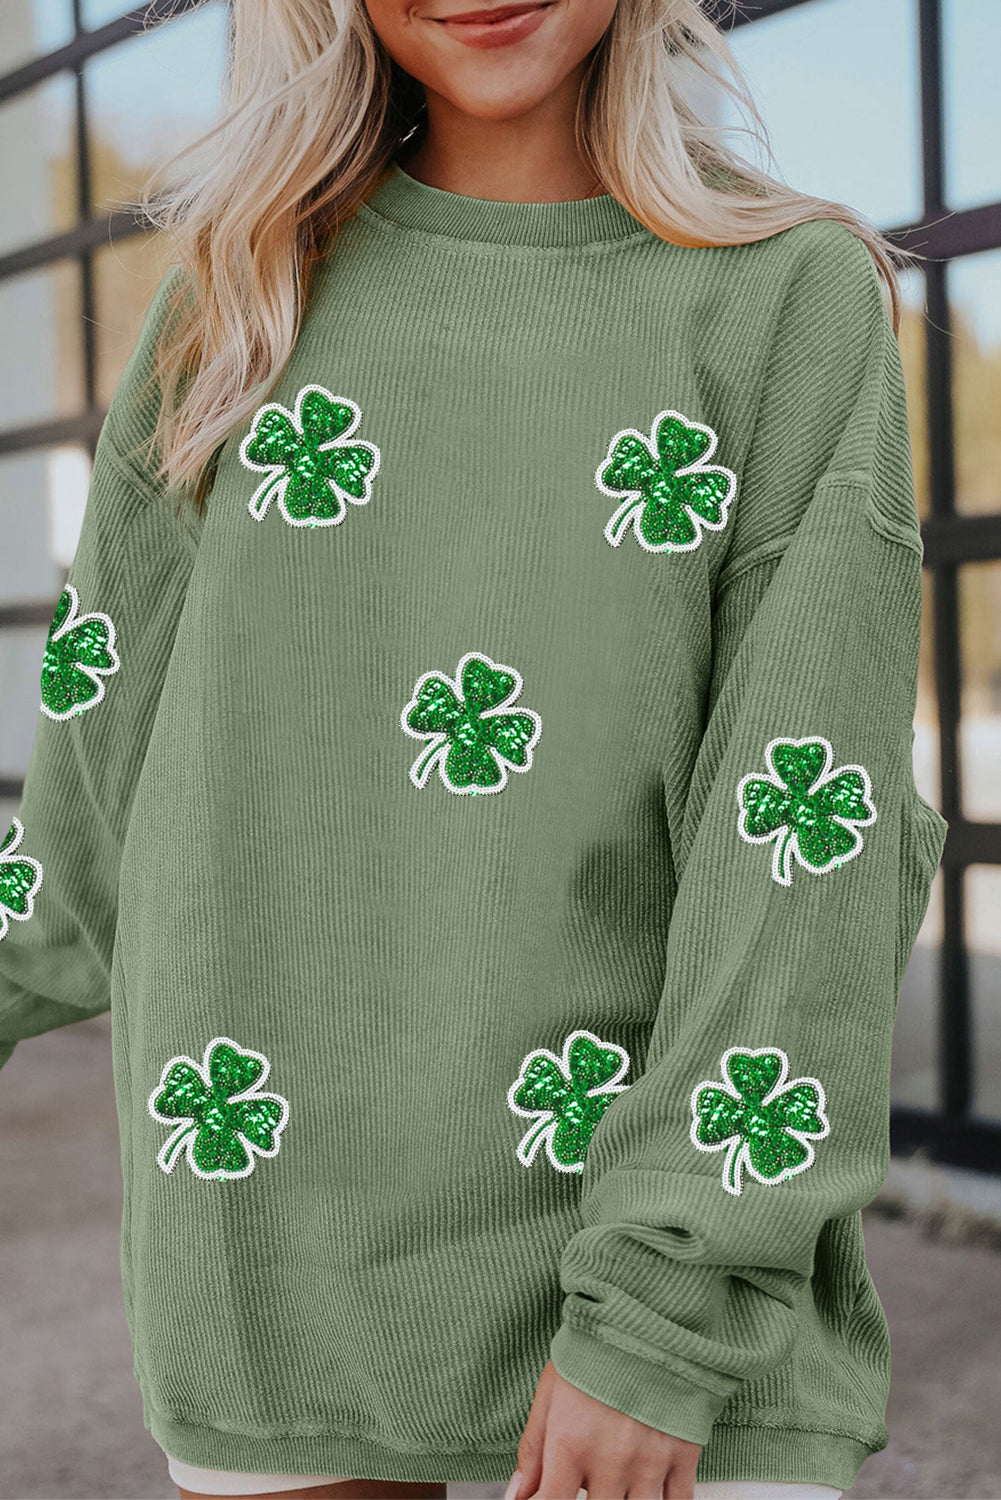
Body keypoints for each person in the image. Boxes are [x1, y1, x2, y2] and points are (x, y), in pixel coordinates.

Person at [0, 0, 948, 1496]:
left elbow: (801, 838)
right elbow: (76, 825)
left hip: (656, 1266)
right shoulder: (237, 298)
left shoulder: (785, 298)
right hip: (274, 1241)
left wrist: (664, 1311)